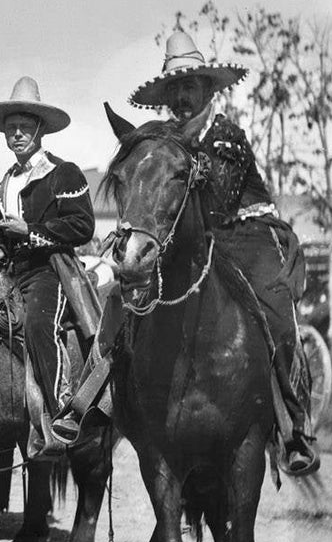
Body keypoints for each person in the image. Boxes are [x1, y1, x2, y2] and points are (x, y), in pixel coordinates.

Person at [127, 29, 319, 475]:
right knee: (132, 302)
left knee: (273, 310)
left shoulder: (225, 135)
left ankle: (294, 426)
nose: (181, 99)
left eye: (189, 87)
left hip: (246, 231)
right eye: (173, 90)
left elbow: (219, 203)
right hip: (196, 238)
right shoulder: (167, 143)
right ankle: (116, 404)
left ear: (209, 90)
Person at [0, 77, 96, 456]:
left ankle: (64, 410)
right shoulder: (4, 184)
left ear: (40, 130)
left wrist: (31, 231)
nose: (17, 135)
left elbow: (82, 225)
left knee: (39, 323)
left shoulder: (64, 173)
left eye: (24, 128)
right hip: (10, 273)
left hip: (51, 270)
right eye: (11, 129)